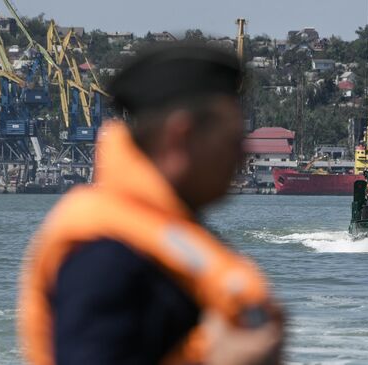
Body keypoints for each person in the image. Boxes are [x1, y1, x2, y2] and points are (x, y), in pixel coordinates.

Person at [18, 44, 283, 365]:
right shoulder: (106, 252)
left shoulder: (159, 230)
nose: (244, 158)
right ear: (181, 137)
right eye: (233, 141)